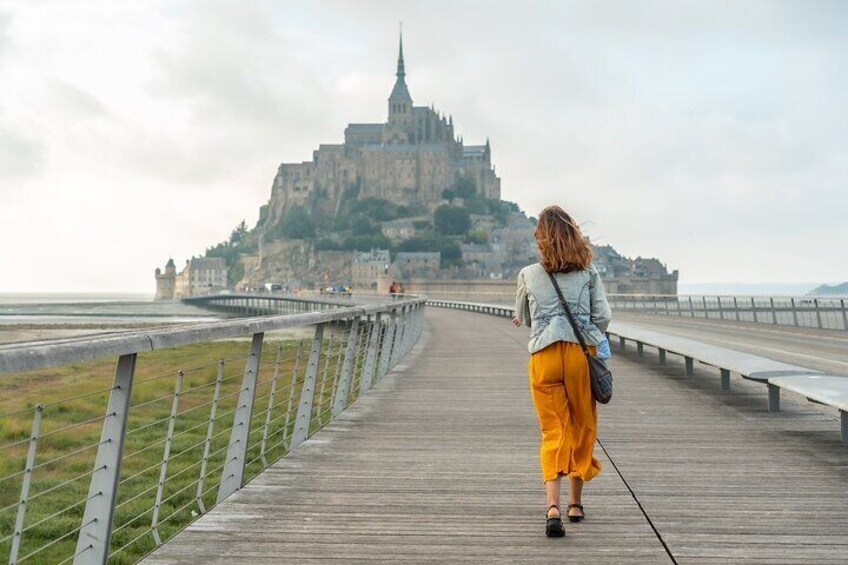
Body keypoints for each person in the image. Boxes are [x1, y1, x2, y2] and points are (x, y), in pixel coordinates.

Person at [512, 205, 612, 538]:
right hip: (579, 356)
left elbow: (524, 318)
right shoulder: (589, 273)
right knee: (582, 424)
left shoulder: (528, 274)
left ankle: (552, 506)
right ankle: (575, 504)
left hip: (544, 355)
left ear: (541, 239)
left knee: (552, 429)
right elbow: (603, 317)